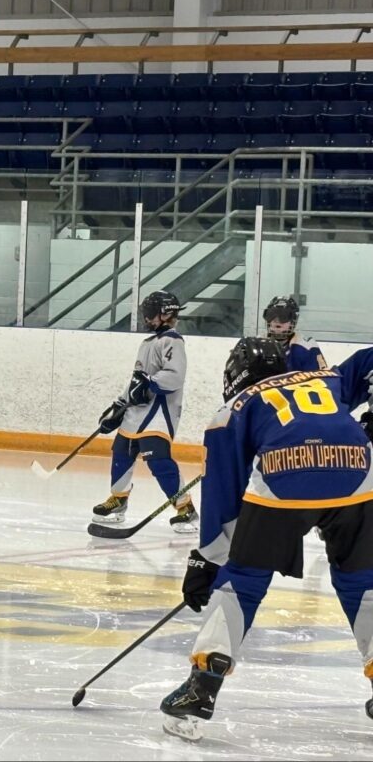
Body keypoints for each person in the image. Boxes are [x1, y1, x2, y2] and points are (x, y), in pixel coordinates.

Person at [160, 337, 373, 742]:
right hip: (359, 471)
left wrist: (207, 561)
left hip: (283, 474)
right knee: (364, 582)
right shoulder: (327, 378)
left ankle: (202, 688)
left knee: (243, 581)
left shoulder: (233, 409)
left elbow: (224, 498)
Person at [93, 290, 196, 532]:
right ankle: (118, 500)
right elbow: (136, 378)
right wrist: (119, 404)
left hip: (158, 414)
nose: (147, 319)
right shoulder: (147, 343)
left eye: (150, 314)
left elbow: (174, 376)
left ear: (165, 314)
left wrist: (150, 383)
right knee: (121, 451)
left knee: (159, 460)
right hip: (136, 413)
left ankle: (186, 509)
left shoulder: (173, 342)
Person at [263, 295, 326, 372]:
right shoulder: (256, 346)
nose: (277, 321)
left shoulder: (307, 347)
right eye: (271, 315)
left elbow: (319, 380)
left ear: (293, 321)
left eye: (283, 316)